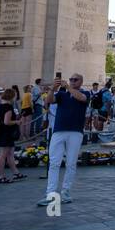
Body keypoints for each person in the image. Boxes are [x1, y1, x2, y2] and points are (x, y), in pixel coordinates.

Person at [37, 73, 89, 208]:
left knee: (71, 162)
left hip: (75, 132)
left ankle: (66, 191)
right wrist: (53, 89)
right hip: (59, 130)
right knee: (54, 162)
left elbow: (81, 98)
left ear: (81, 82)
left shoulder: (86, 93)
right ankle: (51, 193)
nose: (72, 81)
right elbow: (49, 101)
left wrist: (68, 87)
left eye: (75, 80)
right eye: (71, 79)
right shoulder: (61, 94)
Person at [0, 87, 23, 183]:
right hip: (6, 133)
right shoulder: (8, 107)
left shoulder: (1, 106)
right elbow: (7, 122)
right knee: (3, 155)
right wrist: (17, 121)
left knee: (10, 153)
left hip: (2, 132)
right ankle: (1, 176)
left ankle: (16, 173)